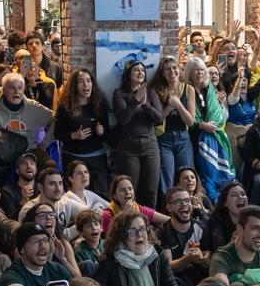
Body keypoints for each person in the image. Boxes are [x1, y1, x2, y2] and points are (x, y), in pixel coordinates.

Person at [94, 211, 179, 286]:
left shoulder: (157, 255)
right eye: (132, 231)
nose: (140, 234)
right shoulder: (109, 262)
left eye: (142, 229)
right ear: (122, 236)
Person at [112, 60, 164, 209]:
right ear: (128, 74)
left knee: (150, 189)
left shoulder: (151, 92)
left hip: (150, 145)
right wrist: (135, 101)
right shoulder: (119, 93)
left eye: (142, 70)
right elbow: (123, 119)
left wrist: (146, 105)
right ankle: (130, 220)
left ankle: (149, 225)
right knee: (130, 189)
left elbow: (159, 119)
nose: (140, 72)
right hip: (129, 147)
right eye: (136, 70)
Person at [54, 69, 111, 197]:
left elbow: (107, 133)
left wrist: (101, 132)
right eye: (81, 81)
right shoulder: (65, 106)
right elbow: (57, 133)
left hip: (96, 158)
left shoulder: (99, 104)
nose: (86, 85)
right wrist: (74, 136)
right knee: (75, 196)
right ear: (74, 86)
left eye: (88, 81)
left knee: (101, 195)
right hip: (73, 158)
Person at [187, 57, 235, 202]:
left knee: (215, 173)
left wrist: (210, 125)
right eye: (196, 70)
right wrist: (201, 124)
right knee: (200, 172)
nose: (199, 73)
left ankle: (219, 200)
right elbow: (188, 116)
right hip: (194, 137)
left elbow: (219, 115)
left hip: (213, 136)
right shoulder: (186, 90)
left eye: (202, 69)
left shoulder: (209, 89)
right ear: (189, 72)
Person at [153, 56, 197, 204]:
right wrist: (169, 107)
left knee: (186, 175)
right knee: (167, 177)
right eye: (167, 69)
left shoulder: (188, 89)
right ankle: (168, 209)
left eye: (174, 68)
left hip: (183, 138)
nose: (172, 71)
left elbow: (190, 121)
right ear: (163, 73)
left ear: (179, 70)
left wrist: (178, 105)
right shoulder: (157, 91)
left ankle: (187, 206)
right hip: (164, 138)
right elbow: (157, 119)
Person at [158, 186, 212, 286]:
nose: (184, 204)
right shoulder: (162, 233)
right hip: (176, 283)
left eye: (187, 200)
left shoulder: (202, 228)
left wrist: (204, 259)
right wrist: (188, 259)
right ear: (169, 207)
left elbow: (209, 260)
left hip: (201, 280)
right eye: (178, 201)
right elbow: (167, 267)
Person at [0, 71, 54, 148]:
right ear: (4, 91)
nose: (17, 92)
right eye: (12, 88)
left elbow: (54, 119)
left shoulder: (34, 107)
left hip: (30, 154)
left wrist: (44, 143)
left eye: (20, 88)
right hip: (3, 156)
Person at [19, 166, 83, 239]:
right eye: (52, 184)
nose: (58, 189)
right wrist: (68, 235)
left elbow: (91, 216)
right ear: (40, 187)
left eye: (60, 183)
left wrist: (81, 237)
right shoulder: (27, 210)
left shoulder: (65, 202)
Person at [101, 174, 168, 233]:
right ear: (114, 196)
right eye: (122, 190)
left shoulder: (140, 209)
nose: (127, 192)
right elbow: (112, 241)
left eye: (130, 189)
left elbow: (170, 221)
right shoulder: (107, 215)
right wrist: (126, 217)